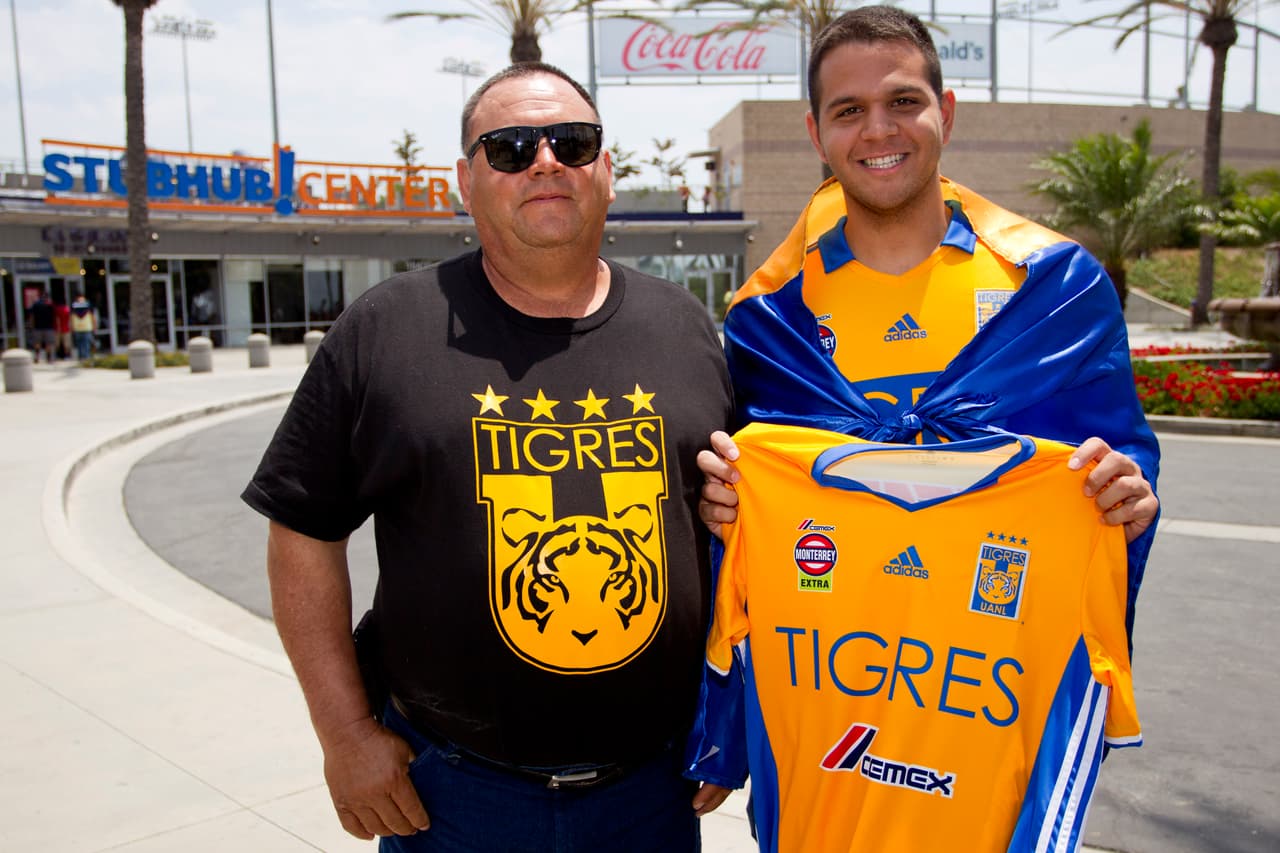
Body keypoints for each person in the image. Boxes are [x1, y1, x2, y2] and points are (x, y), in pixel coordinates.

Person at [686, 1, 1160, 841]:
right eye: (849, 111)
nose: (879, 129)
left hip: (983, 728)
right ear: (815, 132)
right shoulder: (769, 321)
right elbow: (744, 519)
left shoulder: (1056, 289)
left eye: (904, 101)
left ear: (947, 111)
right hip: (824, 749)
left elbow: (1117, 467)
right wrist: (724, 506)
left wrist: (1128, 496)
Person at [242, 62, 734, 852]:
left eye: (572, 142)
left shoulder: (685, 326)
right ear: (465, 182)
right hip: (451, 797)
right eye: (508, 148)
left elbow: (730, 528)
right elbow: (301, 533)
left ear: (606, 171)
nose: (545, 161)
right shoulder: (385, 329)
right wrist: (343, 736)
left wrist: (727, 710)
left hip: (653, 792)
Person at [27, 289, 56, 363]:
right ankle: (48, 358)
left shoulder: (36, 304)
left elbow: (32, 316)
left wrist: (31, 325)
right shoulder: (50, 305)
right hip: (49, 327)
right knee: (48, 343)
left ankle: (37, 357)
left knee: (37, 342)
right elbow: (54, 316)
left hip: (37, 327)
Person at [70, 292, 96, 360]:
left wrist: (94, 326)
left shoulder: (75, 306)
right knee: (83, 344)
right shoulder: (86, 305)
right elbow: (92, 317)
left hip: (82, 328)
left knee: (83, 344)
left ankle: (84, 358)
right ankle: (84, 358)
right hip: (83, 328)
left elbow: (92, 317)